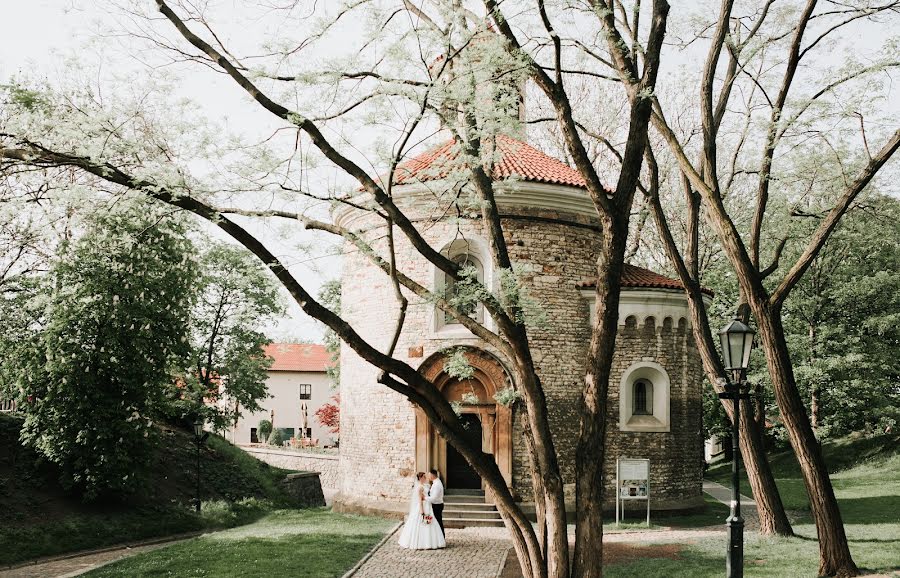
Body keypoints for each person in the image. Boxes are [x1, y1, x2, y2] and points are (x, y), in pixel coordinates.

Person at [397, 472, 446, 550]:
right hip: (423, 507)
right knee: (423, 523)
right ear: (420, 478)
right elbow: (420, 501)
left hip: (428, 506)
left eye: (425, 477)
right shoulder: (420, 487)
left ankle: (433, 540)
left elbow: (428, 496)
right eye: (424, 477)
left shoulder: (426, 486)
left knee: (430, 522)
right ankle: (422, 542)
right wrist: (422, 511)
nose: (425, 478)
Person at [425, 469, 445, 535]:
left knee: (438, 522)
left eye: (429, 475)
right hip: (436, 505)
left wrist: (424, 498)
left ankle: (441, 537)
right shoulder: (435, 483)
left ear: (433, 475)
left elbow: (433, 498)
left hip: (437, 505)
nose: (428, 476)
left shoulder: (437, 484)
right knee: (437, 522)